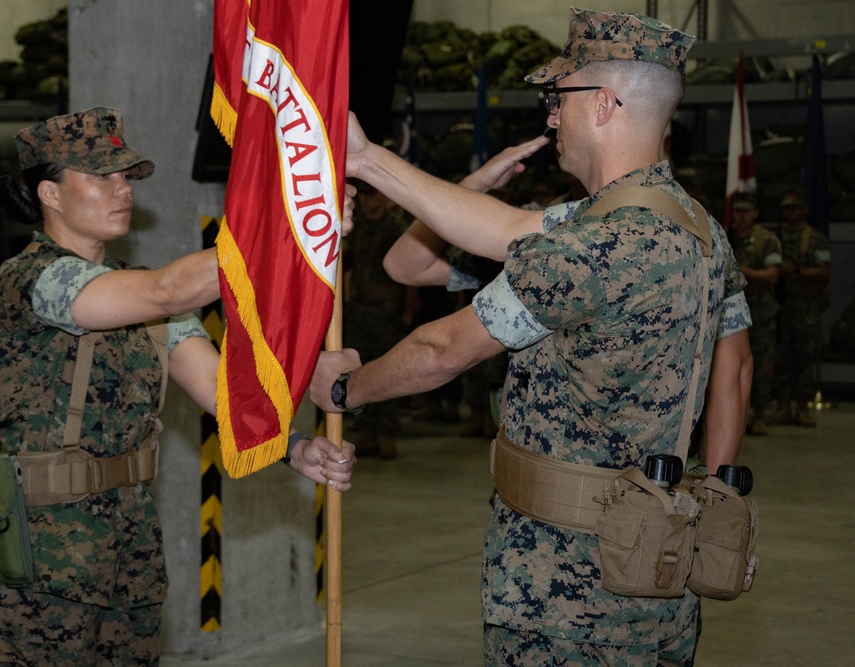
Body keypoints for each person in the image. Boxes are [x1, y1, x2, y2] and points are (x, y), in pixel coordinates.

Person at [313, 9, 752, 664]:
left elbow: (442, 351)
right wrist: (400, 171)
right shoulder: (696, 227)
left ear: (603, 104)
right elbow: (455, 248)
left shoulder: (595, 243)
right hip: (653, 559)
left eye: (558, 98)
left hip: (572, 584)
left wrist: (346, 386)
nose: (550, 118)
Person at [0, 106, 356, 666]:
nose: (122, 190)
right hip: (37, 550)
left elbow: (219, 390)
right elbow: (167, 292)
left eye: (126, 176)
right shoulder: (31, 278)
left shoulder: (130, 289)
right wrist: (295, 223)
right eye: (101, 176)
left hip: (127, 547)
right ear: (49, 193)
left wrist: (295, 449)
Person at [342, 181, 416, 458]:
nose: (368, 203)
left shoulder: (396, 228)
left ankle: (387, 432)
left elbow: (410, 272)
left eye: (373, 197)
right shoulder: (355, 226)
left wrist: (409, 308)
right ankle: (367, 430)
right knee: (359, 370)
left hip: (387, 310)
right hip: (360, 309)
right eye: (365, 198)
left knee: (387, 371)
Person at [767, 188, 831, 427]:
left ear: (805, 210)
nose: (790, 212)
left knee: (805, 356)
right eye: (786, 208)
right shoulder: (776, 238)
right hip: (780, 307)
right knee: (781, 357)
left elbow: (824, 271)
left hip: (806, 308)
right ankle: (782, 406)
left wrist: (795, 271)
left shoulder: (814, 238)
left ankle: (803, 406)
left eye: (794, 208)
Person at [729, 191, 782, 435]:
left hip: (760, 313)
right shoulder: (726, 236)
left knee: (761, 364)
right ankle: (737, 416)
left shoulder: (767, 240)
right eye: (737, 211)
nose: (741, 216)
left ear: (756, 213)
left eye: (746, 211)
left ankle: (759, 413)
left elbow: (772, 275)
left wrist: (742, 270)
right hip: (729, 315)